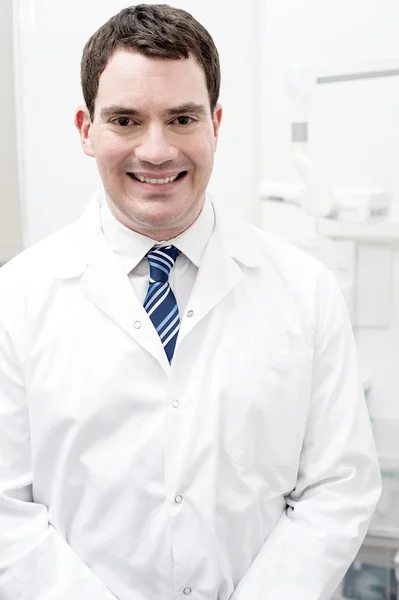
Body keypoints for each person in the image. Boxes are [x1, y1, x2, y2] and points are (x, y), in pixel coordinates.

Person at [0, 4, 381, 600]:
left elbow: (338, 488)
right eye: (125, 120)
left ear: (216, 124)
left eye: (181, 118)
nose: (156, 151)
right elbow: (6, 515)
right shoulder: (16, 301)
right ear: (85, 129)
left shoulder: (306, 293)